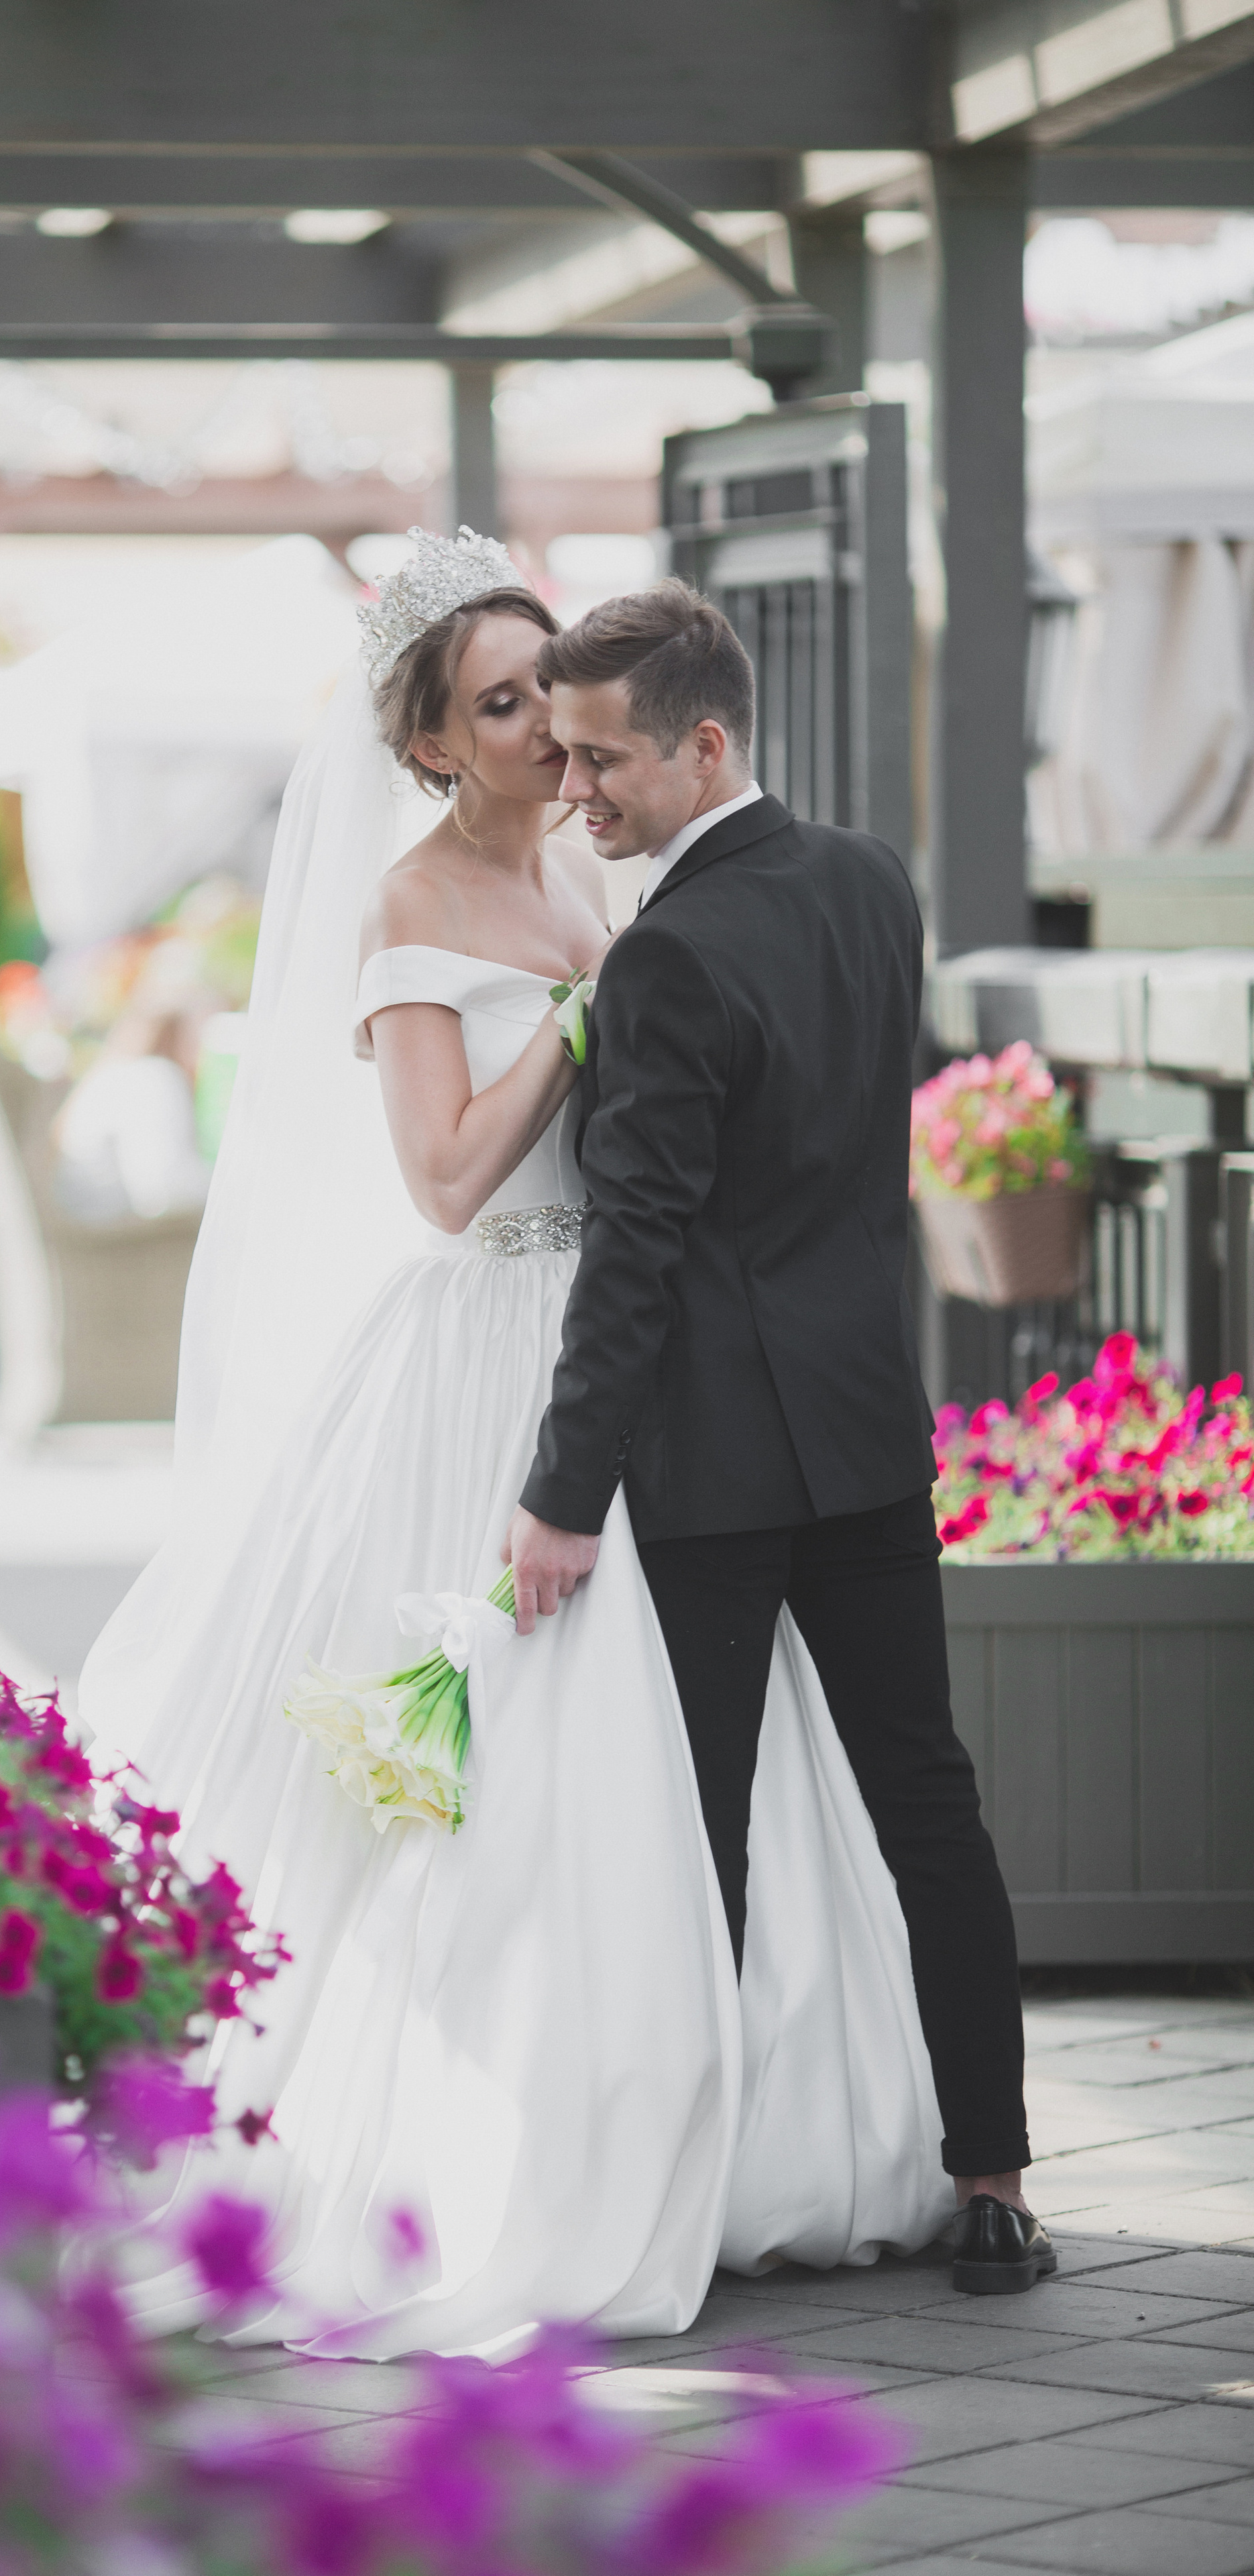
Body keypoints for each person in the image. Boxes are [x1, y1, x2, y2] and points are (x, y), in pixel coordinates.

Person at [78, 531, 954, 2359]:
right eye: (502, 708)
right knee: (517, 1765)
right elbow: (449, 1180)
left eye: (551, 695)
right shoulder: (408, 913)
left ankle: (740, 2130)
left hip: (650, 1355)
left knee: (721, 1756)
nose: (551, 738)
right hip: (490, 1350)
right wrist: (580, 1018)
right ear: (428, 745)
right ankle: (515, 2147)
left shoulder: (597, 860)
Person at [507, 582, 1049, 2297]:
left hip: (718, 1465)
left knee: (704, 1831)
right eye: (560, 756)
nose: (572, 790)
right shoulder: (871, 880)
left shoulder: (663, 955)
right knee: (928, 1804)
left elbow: (635, 1246)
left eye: (601, 760)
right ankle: (991, 2182)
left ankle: (688, 2209)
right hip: (866, 1428)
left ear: (703, 744)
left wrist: (557, 1494)